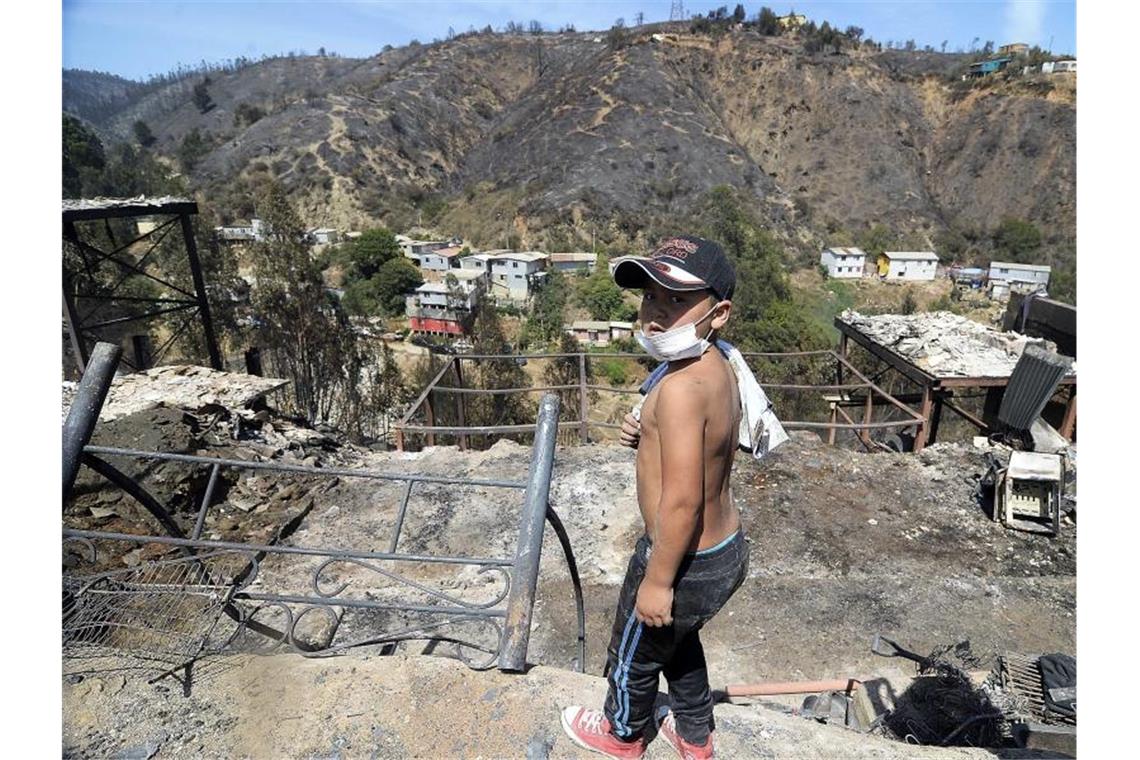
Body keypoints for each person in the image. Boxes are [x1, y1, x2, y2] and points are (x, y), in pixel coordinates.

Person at [561, 235, 763, 760]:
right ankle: (695, 736)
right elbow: (708, 439)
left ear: (717, 313)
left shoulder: (677, 389)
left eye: (676, 301)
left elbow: (681, 503)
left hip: (681, 557)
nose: (656, 314)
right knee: (677, 642)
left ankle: (621, 734)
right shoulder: (715, 366)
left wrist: (656, 580)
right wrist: (645, 431)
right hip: (722, 551)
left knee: (633, 652)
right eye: (651, 297)